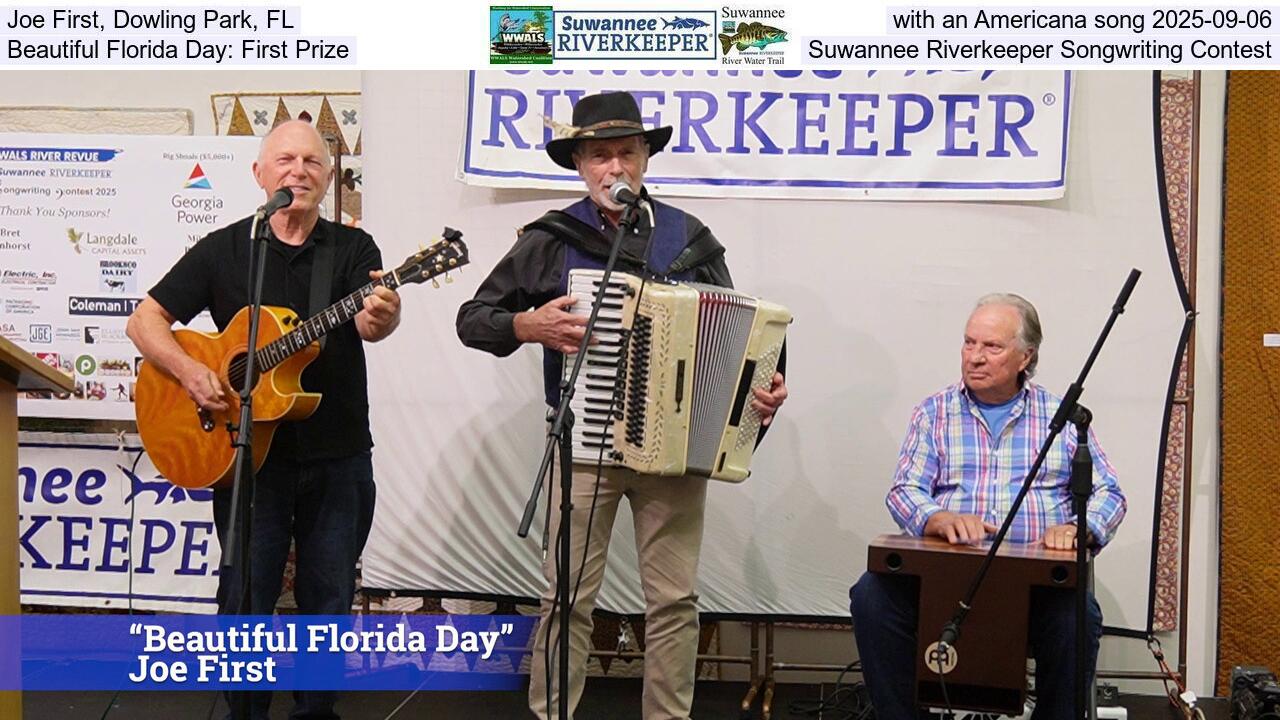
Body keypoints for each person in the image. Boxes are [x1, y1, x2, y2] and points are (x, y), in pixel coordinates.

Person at [456, 91, 788, 719]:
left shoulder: (689, 239)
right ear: (580, 165)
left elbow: (747, 341)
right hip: (584, 448)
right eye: (600, 155)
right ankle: (553, 712)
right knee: (568, 596)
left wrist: (763, 391)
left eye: (627, 153)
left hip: (674, 454)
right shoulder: (553, 239)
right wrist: (530, 325)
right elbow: (473, 318)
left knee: (673, 600)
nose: (615, 167)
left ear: (645, 160)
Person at [126, 120, 402, 719]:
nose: (297, 171)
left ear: (328, 179)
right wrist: (191, 372)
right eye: (284, 160)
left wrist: (382, 316)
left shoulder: (354, 251)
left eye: (311, 162)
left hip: (337, 455)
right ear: (260, 174)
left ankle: (314, 712)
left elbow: (369, 322)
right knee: (245, 595)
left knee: (326, 599)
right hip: (246, 458)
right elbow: (144, 321)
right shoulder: (230, 247)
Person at [848, 293, 1127, 720]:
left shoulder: (1062, 417)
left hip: (1034, 588)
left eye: (991, 347)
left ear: (1025, 357)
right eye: (968, 343)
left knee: (1078, 616)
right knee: (871, 595)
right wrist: (936, 518)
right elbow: (903, 490)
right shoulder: (934, 412)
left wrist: (1079, 528)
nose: (975, 357)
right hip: (946, 579)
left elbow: (1110, 494)